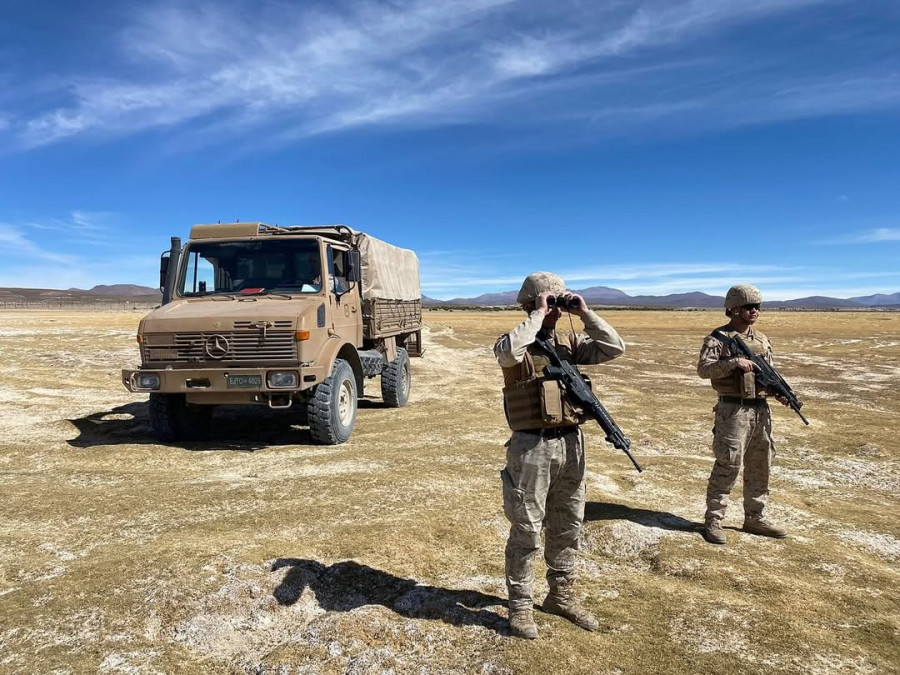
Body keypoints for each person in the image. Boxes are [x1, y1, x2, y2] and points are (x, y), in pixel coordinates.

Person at [494, 271, 626, 639]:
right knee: (526, 529)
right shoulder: (515, 343)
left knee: (568, 522)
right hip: (531, 447)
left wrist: (584, 313)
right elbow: (507, 353)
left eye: (558, 302)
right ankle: (520, 607)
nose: (555, 309)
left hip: (571, 442)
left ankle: (561, 596)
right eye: (548, 302)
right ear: (530, 304)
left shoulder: (570, 342)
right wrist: (536, 314)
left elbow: (616, 348)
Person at [698, 284, 789, 545]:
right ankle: (714, 519)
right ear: (734, 309)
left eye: (758, 307)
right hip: (733, 409)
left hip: (761, 409)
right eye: (749, 307)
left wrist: (778, 393)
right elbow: (704, 370)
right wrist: (732, 363)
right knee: (728, 463)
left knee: (761, 463)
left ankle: (755, 517)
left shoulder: (761, 339)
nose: (755, 311)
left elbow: (769, 375)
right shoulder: (718, 338)